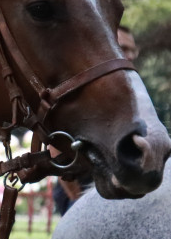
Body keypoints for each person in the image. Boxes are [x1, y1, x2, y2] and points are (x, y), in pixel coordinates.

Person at [53, 25, 140, 214]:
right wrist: (78, 201)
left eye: (134, 50)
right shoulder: (79, 90)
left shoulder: (131, 92)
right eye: (124, 48)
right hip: (81, 196)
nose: (131, 56)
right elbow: (54, 148)